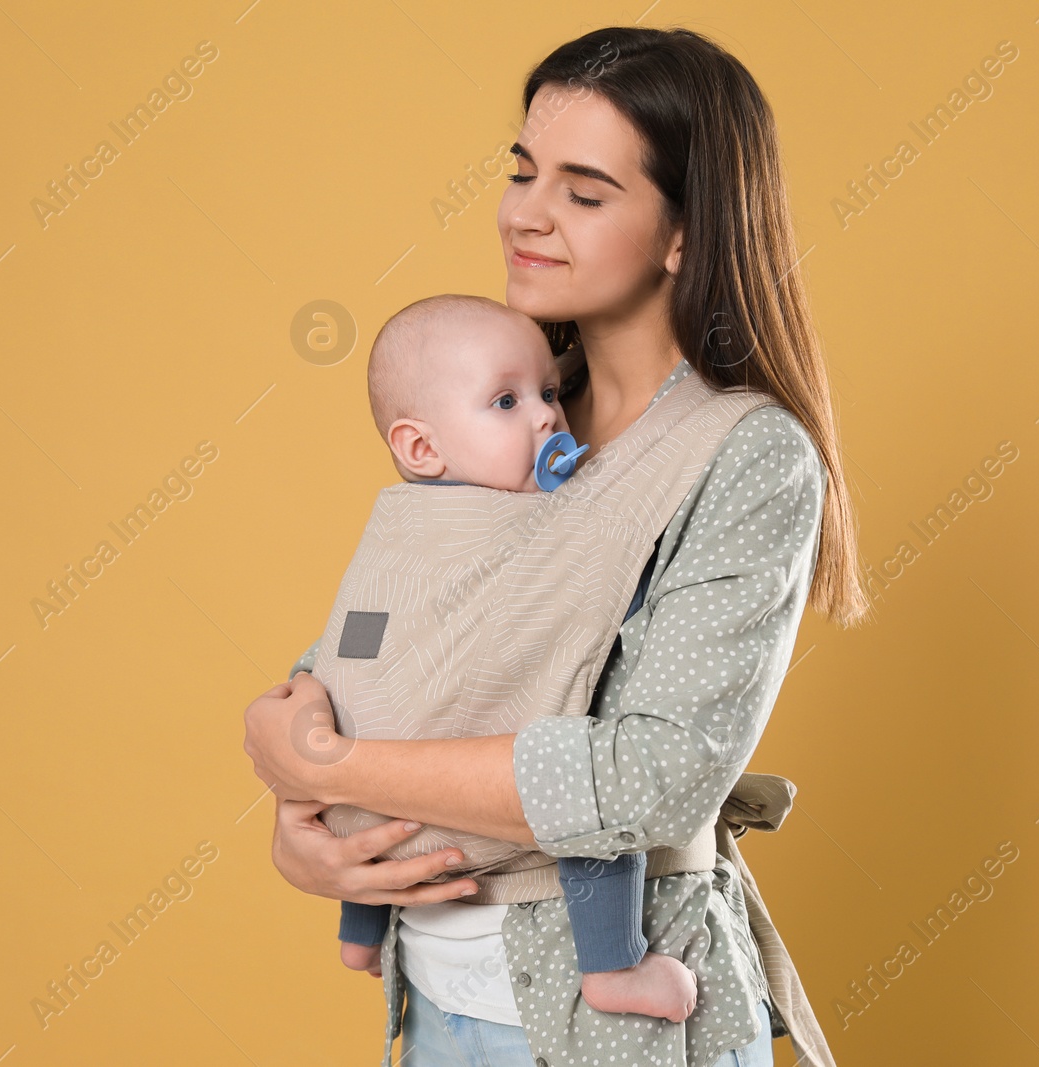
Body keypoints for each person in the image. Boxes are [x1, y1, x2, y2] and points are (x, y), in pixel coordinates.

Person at [244, 25, 869, 1067]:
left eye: (584, 191)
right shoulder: (506, 413)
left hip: (613, 1031)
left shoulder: (743, 455)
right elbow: (395, 638)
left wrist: (344, 761)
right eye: (523, 170)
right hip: (437, 1004)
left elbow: (651, 777)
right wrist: (308, 808)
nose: (525, 213)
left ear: (685, 231)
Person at [329, 291, 703, 1023]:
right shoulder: (527, 528)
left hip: (357, 810)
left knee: (372, 714)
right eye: (505, 401)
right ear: (421, 448)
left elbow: (349, 646)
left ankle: (358, 932)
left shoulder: (402, 525)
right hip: (453, 807)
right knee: (586, 788)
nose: (545, 418)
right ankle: (612, 966)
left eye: (550, 392)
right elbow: (597, 611)